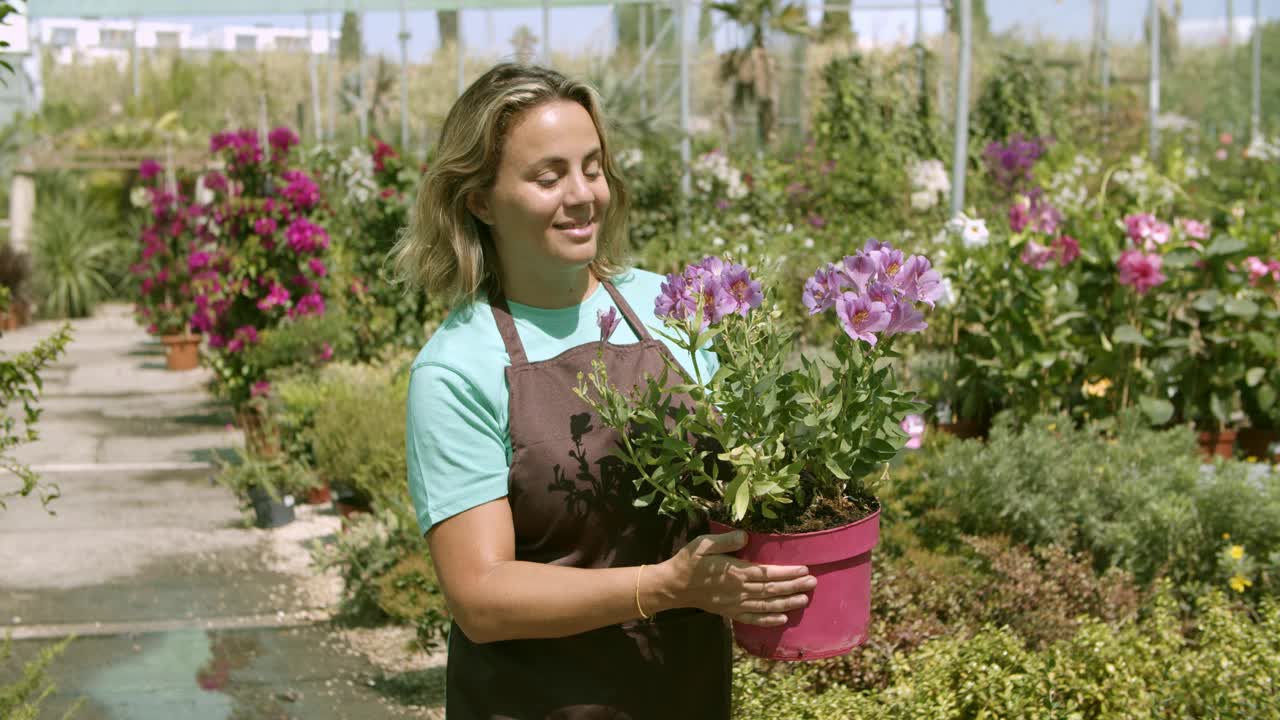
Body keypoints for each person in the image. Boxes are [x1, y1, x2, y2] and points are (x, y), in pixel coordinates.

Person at [395, 63, 816, 719]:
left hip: (686, 696)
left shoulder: (672, 307)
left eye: (591, 167)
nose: (583, 193)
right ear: (479, 199)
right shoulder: (457, 368)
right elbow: (480, 596)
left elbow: (747, 481)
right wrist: (663, 586)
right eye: (548, 176)